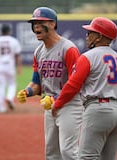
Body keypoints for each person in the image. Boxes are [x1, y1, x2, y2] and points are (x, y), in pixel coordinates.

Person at [51, 17, 117, 160]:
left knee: (87, 156)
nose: (87, 36)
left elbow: (73, 85)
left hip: (99, 110)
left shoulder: (88, 57)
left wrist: (58, 104)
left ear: (99, 37)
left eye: (90, 32)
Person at [16, 7, 83, 160]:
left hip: (70, 105)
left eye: (40, 22)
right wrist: (27, 91)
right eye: (34, 23)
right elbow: (36, 83)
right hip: (49, 105)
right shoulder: (38, 52)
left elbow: (76, 81)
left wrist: (56, 98)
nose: (36, 27)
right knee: (52, 154)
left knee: (68, 151)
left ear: (52, 24)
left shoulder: (68, 48)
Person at [0, 24, 22, 113]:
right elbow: (17, 55)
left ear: (1, 31)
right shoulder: (14, 41)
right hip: (10, 65)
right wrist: (19, 67)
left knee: (1, 86)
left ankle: (1, 108)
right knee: (12, 84)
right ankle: (9, 97)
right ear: (9, 31)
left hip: (0, 66)